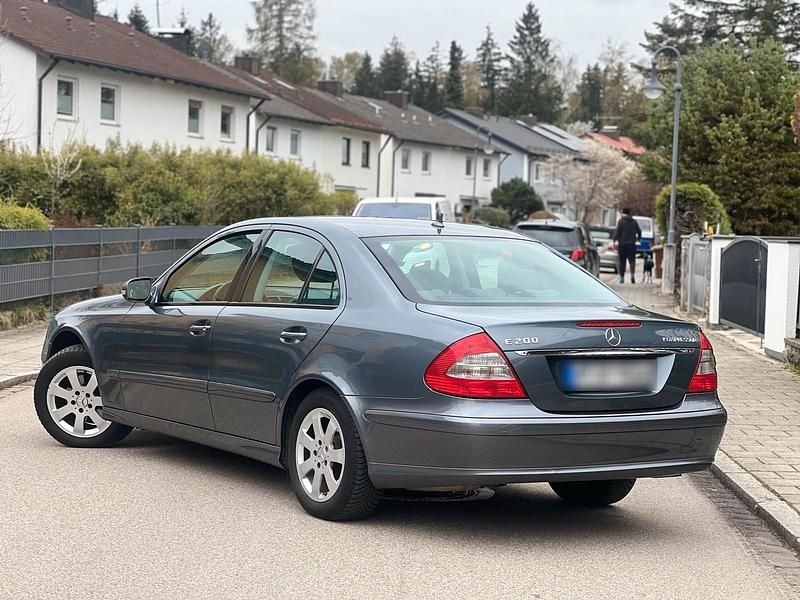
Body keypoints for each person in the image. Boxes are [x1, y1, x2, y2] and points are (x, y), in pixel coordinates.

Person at [613, 208, 642, 284]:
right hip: (632, 245)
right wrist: (638, 239)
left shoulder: (621, 221)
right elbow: (639, 231)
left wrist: (614, 240)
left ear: (623, 213)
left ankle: (622, 278)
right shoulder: (634, 222)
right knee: (632, 261)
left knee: (622, 262)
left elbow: (617, 232)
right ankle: (632, 274)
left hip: (622, 245)